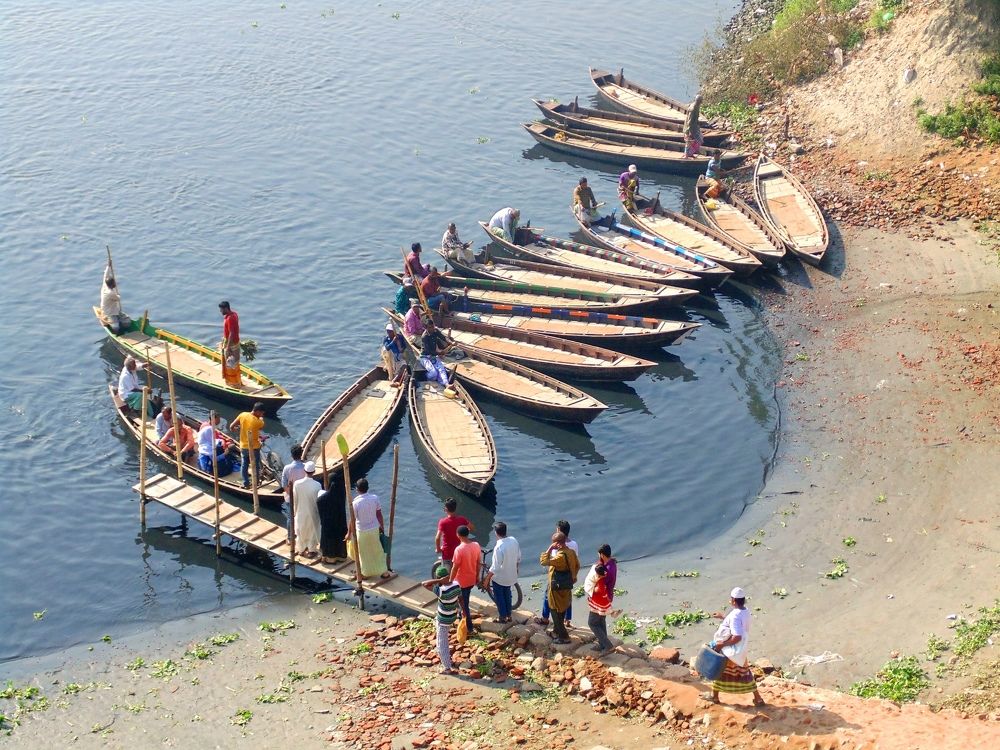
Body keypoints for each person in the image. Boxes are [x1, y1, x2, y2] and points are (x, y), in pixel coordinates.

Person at [706, 587, 766, 707]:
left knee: (720, 672)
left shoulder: (734, 615)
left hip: (731, 650)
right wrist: (723, 617)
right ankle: (758, 699)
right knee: (744, 673)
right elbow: (738, 624)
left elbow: (737, 636)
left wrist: (722, 644)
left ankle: (715, 697)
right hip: (741, 650)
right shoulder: (745, 611)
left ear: (733, 600)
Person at [536, 520, 579, 627]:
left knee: (548, 595)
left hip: (557, 578)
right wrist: (573, 576)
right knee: (567, 597)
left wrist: (550, 548)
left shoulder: (557, 548)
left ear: (559, 531)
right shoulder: (574, 545)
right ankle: (567, 619)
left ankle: (546, 618)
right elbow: (576, 562)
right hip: (569, 577)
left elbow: (545, 561)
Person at [346, 477, 391, 579]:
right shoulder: (375, 498)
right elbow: (379, 514)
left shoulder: (355, 503)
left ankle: (365, 573)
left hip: (362, 531)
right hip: (374, 529)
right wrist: (382, 527)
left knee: (363, 553)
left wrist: (349, 533)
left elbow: (352, 520)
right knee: (377, 550)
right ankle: (384, 572)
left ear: (357, 489)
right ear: (367, 488)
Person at [421, 564, 462, 675]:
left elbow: (424, 583)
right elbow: (461, 599)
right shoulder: (456, 585)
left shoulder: (441, 591)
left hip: (443, 619)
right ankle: (447, 660)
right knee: (444, 636)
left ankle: (447, 667)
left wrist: (439, 580)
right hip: (452, 616)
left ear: (439, 577)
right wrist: (463, 612)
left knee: (441, 643)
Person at [481, 522, 520, 624]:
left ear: (496, 533)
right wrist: (516, 569)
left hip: (500, 578)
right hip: (511, 575)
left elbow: (495, 567)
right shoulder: (513, 540)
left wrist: (487, 579)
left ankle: (502, 617)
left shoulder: (499, 546)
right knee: (507, 594)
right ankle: (509, 615)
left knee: (499, 597)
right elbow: (518, 557)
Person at [450, 525, 482, 635]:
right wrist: (477, 576)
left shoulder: (459, 549)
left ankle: (469, 628)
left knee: (464, 606)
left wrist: (450, 581)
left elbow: (455, 568)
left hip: (461, 582)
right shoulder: (476, 545)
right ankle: (462, 619)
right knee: (465, 601)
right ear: (468, 534)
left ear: (458, 535)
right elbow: (478, 563)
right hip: (471, 579)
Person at [229, 402, 265, 489]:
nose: (262, 415)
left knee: (244, 464)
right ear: (258, 412)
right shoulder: (258, 421)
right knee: (255, 465)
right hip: (254, 447)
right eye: (262, 413)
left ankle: (246, 483)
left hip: (243, 446)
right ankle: (256, 482)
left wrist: (236, 429)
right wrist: (261, 418)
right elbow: (261, 427)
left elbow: (231, 427)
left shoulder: (243, 414)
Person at [293, 462, 323, 558]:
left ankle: (301, 549)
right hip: (313, 512)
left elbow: (295, 499)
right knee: (312, 531)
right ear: (314, 471)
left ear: (304, 471)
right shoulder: (317, 485)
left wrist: (295, 511)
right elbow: (319, 500)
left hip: (300, 511)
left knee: (300, 531)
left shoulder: (297, 484)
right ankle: (311, 550)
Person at [435, 498, 473, 574]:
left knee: (446, 574)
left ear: (446, 509)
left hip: (447, 553)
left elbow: (437, 538)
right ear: (455, 508)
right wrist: (464, 535)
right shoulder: (462, 519)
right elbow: (471, 527)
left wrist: (438, 549)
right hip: (460, 551)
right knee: (459, 572)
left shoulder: (443, 522)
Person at [584, 562, 614, 655]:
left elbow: (597, 590)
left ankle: (608, 646)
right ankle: (602, 644)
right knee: (601, 622)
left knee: (592, 623)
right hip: (604, 603)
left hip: (598, 605)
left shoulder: (600, 581)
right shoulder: (605, 576)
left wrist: (592, 587)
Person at [280, 445, 307, 542]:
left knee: (290, 518)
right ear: (301, 454)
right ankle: (303, 537)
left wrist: (290, 494)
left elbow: (284, 485)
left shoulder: (287, 468)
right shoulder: (305, 467)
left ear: (292, 456)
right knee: (303, 517)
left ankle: (290, 538)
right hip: (303, 496)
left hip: (290, 497)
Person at [420, 318, 453, 388]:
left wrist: (451, 342)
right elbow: (428, 351)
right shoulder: (424, 337)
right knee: (433, 373)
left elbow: (443, 337)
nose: (432, 329)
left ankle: (446, 384)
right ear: (426, 328)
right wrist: (440, 353)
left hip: (434, 356)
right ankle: (425, 376)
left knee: (441, 369)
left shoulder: (435, 331)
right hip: (425, 357)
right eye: (430, 327)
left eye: (433, 326)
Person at [100, 264, 130, 334]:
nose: (115, 283)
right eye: (114, 283)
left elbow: (105, 276)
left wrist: (108, 266)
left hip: (114, 309)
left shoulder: (105, 285)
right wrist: (118, 295)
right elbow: (118, 298)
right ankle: (116, 334)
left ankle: (124, 327)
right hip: (109, 312)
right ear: (111, 284)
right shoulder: (110, 293)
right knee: (116, 327)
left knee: (127, 321)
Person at [218, 301, 242, 388]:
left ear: (226, 308)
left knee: (230, 363)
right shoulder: (234, 314)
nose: (220, 311)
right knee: (235, 362)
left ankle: (233, 383)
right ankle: (237, 381)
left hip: (231, 344)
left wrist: (228, 347)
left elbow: (231, 333)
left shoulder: (230, 318)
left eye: (221, 309)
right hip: (235, 342)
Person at [684, 94, 704, 158]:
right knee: (689, 141)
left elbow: (695, 118)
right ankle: (686, 155)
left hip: (694, 127)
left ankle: (691, 153)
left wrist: (697, 125)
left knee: (699, 138)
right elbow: (690, 120)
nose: (701, 102)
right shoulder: (693, 108)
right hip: (690, 128)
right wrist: (689, 130)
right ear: (698, 101)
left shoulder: (696, 106)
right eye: (701, 101)